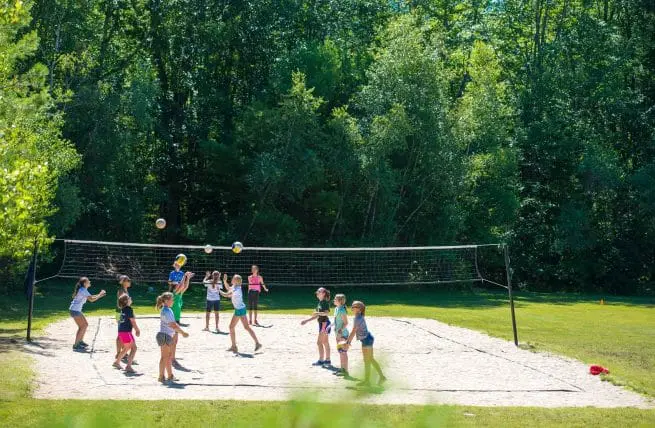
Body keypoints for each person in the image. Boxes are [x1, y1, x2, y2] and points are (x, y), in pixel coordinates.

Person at [345, 301, 387, 387]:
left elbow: (353, 331)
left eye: (355, 307)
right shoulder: (358, 316)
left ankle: (378, 378)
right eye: (352, 306)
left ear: (359, 309)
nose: (352, 308)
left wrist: (348, 342)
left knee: (369, 360)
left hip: (367, 340)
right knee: (369, 360)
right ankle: (372, 380)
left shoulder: (358, 318)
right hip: (366, 339)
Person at [219, 273, 262, 353]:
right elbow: (229, 288)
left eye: (233, 278)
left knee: (234, 327)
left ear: (236, 281)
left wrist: (219, 290)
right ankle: (236, 346)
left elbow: (227, 294)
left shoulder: (237, 289)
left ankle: (235, 346)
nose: (231, 279)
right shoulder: (235, 287)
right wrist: (224, 281)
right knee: (242, 327)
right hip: (239, 309)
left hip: (240, 310)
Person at [155, 292, 189, 383]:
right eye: (171, 299)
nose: (173, 301)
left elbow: (173, 325)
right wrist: (182, 332)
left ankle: (169, 375)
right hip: (165, 336)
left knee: (167, 356)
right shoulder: (167, 311)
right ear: (166, 301)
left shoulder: (166, 310)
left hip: (165, 335)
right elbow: (173, 325)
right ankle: (162, 376)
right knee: (165, 357)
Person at [69, 277, 106, 350]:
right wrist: (100, 294)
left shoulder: (83, 290)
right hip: (75, 310)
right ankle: (76, 345)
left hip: (76, 310)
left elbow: (91, 297)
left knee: (85, 325)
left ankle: (80, 341)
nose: (90, 281)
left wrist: (100, 295)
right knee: (82, 326)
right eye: (88, 281)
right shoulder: (83, 290)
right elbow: (91, 300)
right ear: (85, 283)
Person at [300, 287, 331, 367]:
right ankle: (327, 360)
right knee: (325, 342)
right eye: (317, 291)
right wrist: (306, 320)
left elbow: (326, 313)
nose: (317, 292)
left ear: (323, 293)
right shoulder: (320, 303)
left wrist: (317, 312)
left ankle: (321, 360)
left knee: (319, 342)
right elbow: (316, 315)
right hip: (323, 324)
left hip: (324, 324)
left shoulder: (324, 302)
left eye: (319, 291)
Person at [170, 271, 194, 368]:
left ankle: (172, 358)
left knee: (175, 341)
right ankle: (172, 358)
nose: (180, 287)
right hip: (172, 320)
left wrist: (187, 278)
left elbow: (185, 286)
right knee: (173, 340)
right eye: (177, 286)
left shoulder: (179, 295)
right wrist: (184, 276)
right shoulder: (173, 294)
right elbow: (181, 285)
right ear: (174, 288)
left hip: (176, 320)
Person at [113, 294, 140, 373]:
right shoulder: (129, 309)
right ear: (126, 301)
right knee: (133, 348)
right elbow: (133, 321)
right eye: (129, 298)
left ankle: (117, 362)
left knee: (127, 348)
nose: (131, 298)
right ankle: (128, 366)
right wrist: (137, 330)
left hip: (122, 331)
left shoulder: (123, 309)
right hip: (126, 332)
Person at [115, 275, 134, 364]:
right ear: (123, 281)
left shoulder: (126, 290)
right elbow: (121, 303)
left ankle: (122, 352)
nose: (130, 282)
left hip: (123, 312)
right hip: (120, 313)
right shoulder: (121, 290)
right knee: (121, 333)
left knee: (122, 332)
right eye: (128, 280)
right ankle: (119, 353)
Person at [333, 293, 350, 377]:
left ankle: (345, 370)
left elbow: (346, 323)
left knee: (343, 352)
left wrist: (340, 331)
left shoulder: (342, 310)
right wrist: (330, 325)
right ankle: (342, 369)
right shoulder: (336, 309)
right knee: (340, 352)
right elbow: (336, 320)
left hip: (343, 334)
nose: (334, 300)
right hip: (337, 333)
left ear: (340, 301)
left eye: (335, 299)